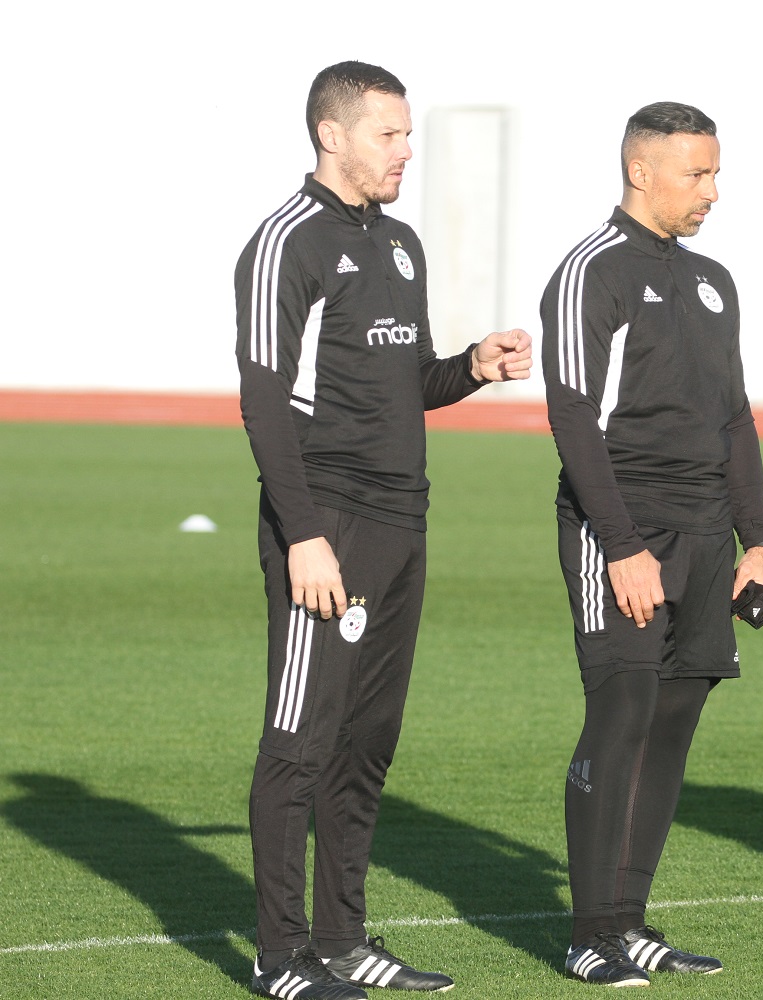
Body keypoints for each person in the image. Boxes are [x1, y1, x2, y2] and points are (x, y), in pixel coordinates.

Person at [234, 60, 532, 999]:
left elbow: (405, 388)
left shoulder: (401, 244)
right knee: (300, 735)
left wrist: (471, 367)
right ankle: (280, 956)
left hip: (406, 521)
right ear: (334, 135)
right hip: (329, 522)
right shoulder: (287, 243)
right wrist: (303, 532)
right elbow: (264, 401)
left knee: (367, 741)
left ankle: (344, 938)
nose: (408, 150)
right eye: (390, 135)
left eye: (409, 134)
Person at [540, 101, 763, 987]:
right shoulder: (589, 273)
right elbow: (571, 415)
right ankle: (588, 931)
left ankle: (630, 923)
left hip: (709, 535)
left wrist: (758, 541)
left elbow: (736, 417)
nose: (712, 191)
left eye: (714, 172)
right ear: (642, 171)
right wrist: (622, 545)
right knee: (623, 713)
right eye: (696, 174)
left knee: (674, 724)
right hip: (624, 532)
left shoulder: (714, 279)